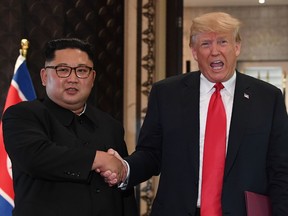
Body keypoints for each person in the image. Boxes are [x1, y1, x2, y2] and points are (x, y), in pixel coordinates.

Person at [102, 12, 288, 216]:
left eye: (223, 42)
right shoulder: (166, 94)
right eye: (206, 44)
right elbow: (151, 154)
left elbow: (280, 170)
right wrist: (125, 168)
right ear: (194, 51)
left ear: (237, 47)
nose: (215, 51)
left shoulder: (268, 98)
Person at [2, 38, 137, 216]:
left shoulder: (110, 125)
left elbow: (124, 195)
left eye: (82, 71)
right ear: (44, 76)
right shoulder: (22, 115)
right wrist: (98, 159)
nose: (73, 79)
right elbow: (36, 158)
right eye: (63, 70)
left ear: (93, 78)